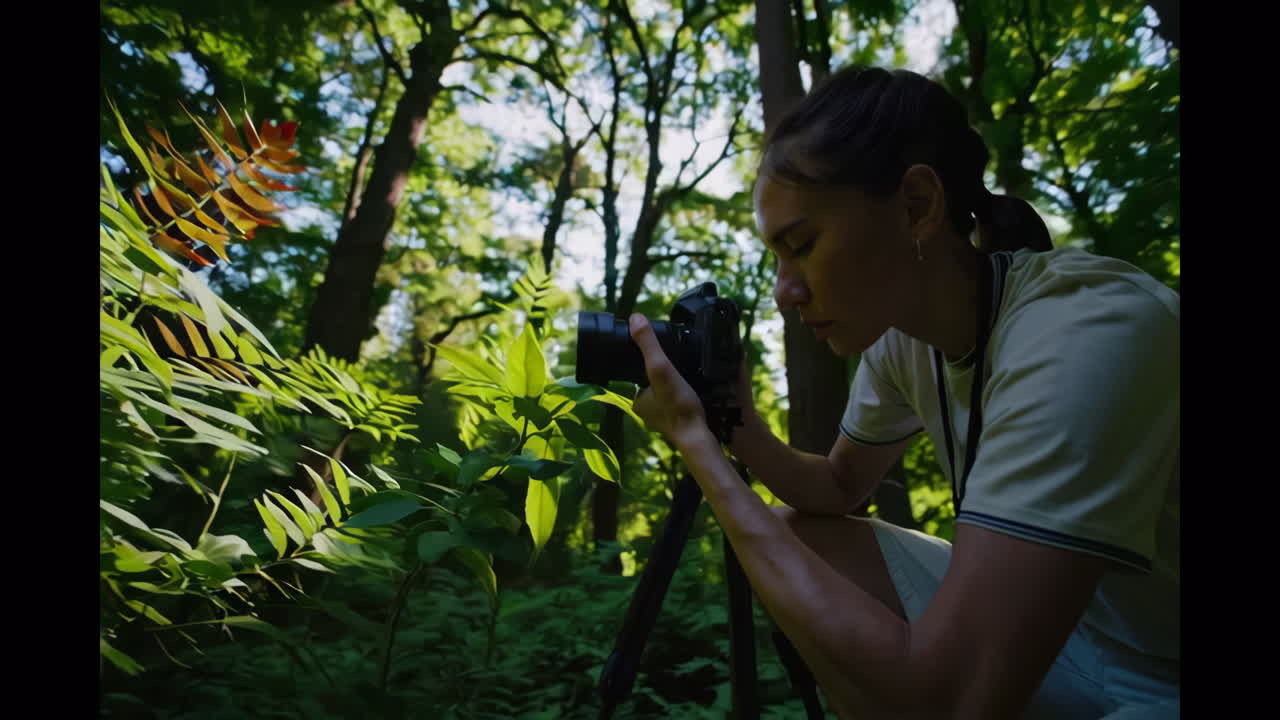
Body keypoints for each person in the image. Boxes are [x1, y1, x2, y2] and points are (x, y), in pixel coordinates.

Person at [627, 66, 1179, 719]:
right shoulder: (902, 340)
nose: (784, 292)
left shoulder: (1086, 331)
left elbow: (948, 701)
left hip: (1169, 671)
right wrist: (734, 419)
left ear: (916, 206)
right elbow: (836, 488)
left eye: (800, 246)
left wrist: (700, 451)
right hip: (1074, 639)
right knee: (800, 535)